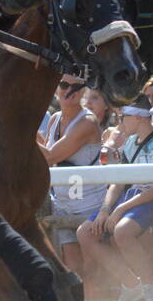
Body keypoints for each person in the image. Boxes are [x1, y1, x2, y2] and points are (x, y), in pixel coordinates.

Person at [77, 99, 153, 301]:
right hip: (131, 198)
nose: (119, 122)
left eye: (122, 117)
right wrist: (106, 209)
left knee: (122, 231)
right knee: (85, 233)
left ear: (137, 117)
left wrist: (120, 208)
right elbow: (118, 181)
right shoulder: (129, 143)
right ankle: (131, 285)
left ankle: (151, 285)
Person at [38, 75, 107, 288]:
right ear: (56, 88)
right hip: (63, 203)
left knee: (92, 269)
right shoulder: (54, 118)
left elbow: (50, 156)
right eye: (64, 85)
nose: (70, 90)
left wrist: (18, 130)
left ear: (84, 91)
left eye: (77, 87)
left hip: (90, 205)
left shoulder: (87, 122)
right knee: (72, 266)